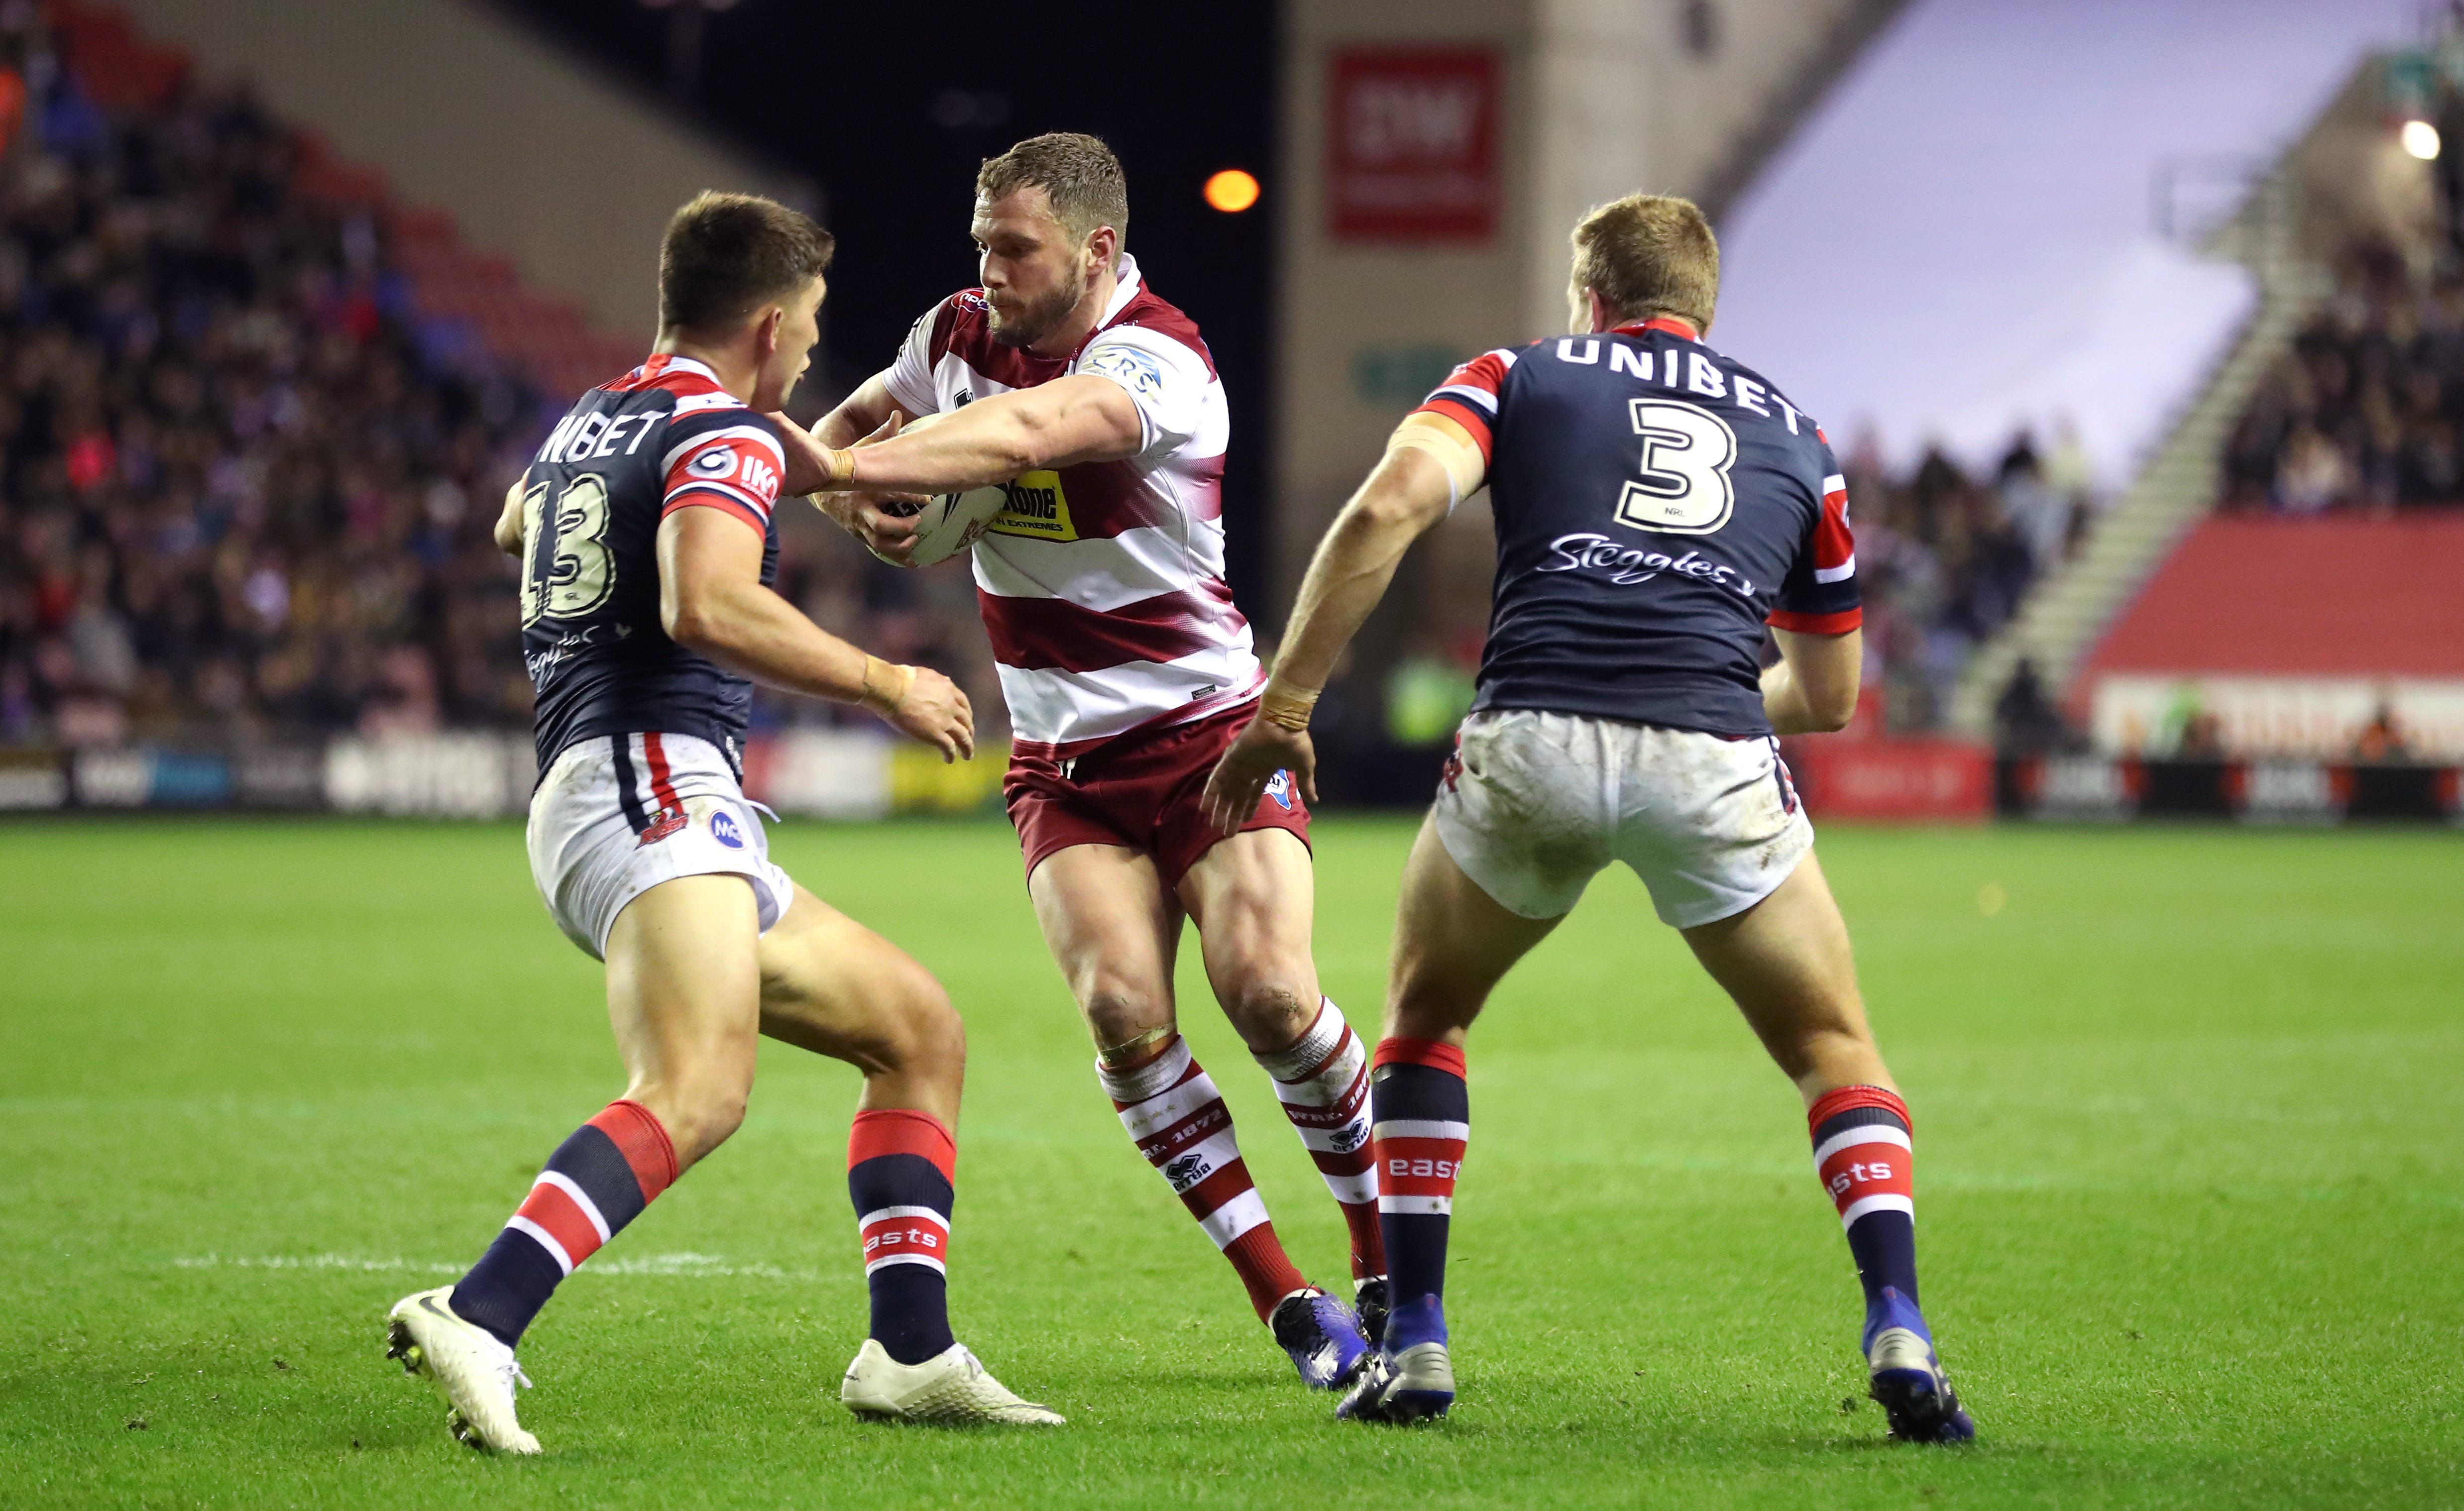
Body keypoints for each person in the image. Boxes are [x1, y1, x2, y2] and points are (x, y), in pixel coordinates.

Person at [1201, 193, 1978, 1442]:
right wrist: (1705, 694)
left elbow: (1395, 502)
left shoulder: (1519, 374)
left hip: (1533, 737)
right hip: (1714, 750)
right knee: (1835, 1045)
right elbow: (1828, 696)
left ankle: (1418, 1343)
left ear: (1591, 295)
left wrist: (1288, 700)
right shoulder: (1801, 435)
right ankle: (1900, 1324)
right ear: (1705, 308)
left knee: (1426, 1020)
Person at [383, 192, 1060, 1453]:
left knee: (917, 1031)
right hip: (648, 783)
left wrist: (813, 467)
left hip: (639, 794)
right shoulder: (721, 432)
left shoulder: (599, 411)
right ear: (765, 322)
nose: (811, 351)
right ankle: (480, 1311)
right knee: (697, 1090)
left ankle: (909, 1353)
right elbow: (705, 607)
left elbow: (517, 520)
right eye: (804, 327)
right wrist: (885, 679)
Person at [791, 133, 1380, 1390]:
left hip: (1211, 735)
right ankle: (1288, 1301)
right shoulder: (953, 331)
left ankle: (1387, 1264)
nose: (990, 269)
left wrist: (843, 469)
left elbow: (1033, 434)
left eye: (1017, 248)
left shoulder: (1159, 357)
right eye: (981, 244)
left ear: (1098, 250)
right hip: (1061, 759)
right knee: (1123, 1014)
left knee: (1270, 994)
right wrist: (850, 496)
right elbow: (849, 427)